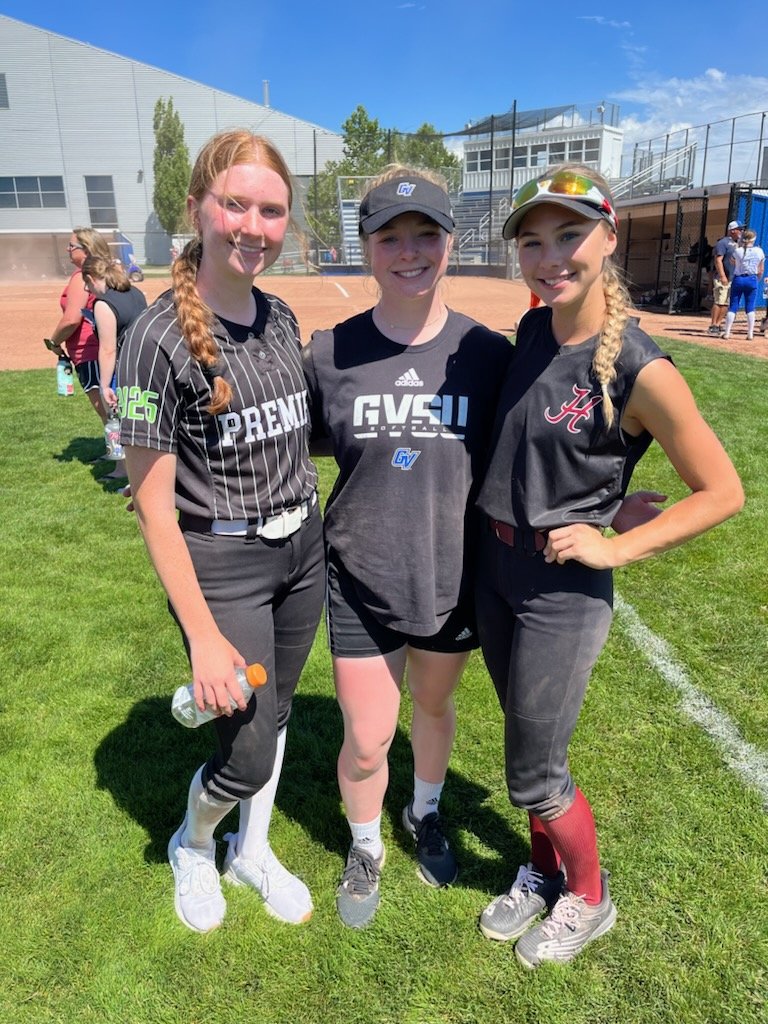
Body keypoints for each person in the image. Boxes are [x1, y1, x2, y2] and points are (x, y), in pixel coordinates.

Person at [474, 166, 744, 968]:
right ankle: (543, 872)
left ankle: (589, 898)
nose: (550, 256)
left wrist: (615, 543)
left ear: (609, 236)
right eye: (533, 241)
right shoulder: (533, 332)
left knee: (538, 768)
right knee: (524, 748)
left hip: (561, 589)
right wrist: (606, 498)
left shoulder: (640, 366)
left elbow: (721, 490)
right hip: (493, 570)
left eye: (570, 235)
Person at [117, 129, 325, 933]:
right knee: (240, 751)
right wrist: (202, 636)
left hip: (303, 550)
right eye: (235, 204)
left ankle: (252, 851)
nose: (253, 225)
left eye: (271, 210)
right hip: (223, 562)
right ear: (199, 209)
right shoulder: (153, 340)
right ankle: (195, 842)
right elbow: (153, 507)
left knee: (273, 719)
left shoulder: (278, 316)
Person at [302, 167, 515, 928]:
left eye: (425, 233)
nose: (409, 251)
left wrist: (608, 503)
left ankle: (425, 812)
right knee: (366, 736)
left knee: (433, 704)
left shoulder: (487, 355)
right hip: (359, 572)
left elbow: (537, 449)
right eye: (390, 236)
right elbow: (301, 445)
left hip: (453, 577)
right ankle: (366, 844)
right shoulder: (330, 352)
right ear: (366, 248)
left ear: (450, 241)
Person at [81, 254, 148, 479]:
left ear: (91, 278)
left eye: (86, 284)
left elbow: (108, 349)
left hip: (125, 370)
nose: (86, 289)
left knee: (120, 423)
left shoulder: (103, 304)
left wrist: (104, 385)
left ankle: (126, 473)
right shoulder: (135, 293)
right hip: (147, 366)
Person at [44, 227, 113, 429]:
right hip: (106, 347)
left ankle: (123, 459)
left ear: (86, 249)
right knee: (114, 409)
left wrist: (54, 342)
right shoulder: (108, 272)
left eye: (72, 246)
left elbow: (72, 319)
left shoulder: (81, 277)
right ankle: (120, 457)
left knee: (108, 413)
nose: (67, 249)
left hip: (89, 351)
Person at [722, 229, 765, 340]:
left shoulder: (738, 250)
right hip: (751, 279)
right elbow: (761, 270)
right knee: (750, 306)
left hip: (739, 279)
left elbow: (732, 261)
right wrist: (757, 279)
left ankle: (727, 333)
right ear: (753, 239)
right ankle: (750, 334)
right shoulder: (759, 251)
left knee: (733, 306)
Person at [707, 220, 742, 336]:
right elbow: (718, 260)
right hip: (723, 277)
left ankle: (718, 323)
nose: (741, 231)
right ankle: (713, 325)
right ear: (732, 230)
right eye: (739, 229)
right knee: (719, 301)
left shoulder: (739, 243)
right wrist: (722, 275)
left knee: (726, 303)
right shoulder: (723, 243)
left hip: (733, 277)